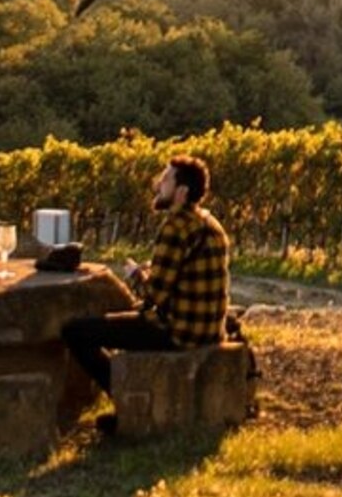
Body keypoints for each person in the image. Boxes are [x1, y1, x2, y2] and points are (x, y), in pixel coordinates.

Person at [60, 155, 233, 429]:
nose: (158, 184)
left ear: (182, 191)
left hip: (178, 331)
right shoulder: (211, 224)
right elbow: (183, 273)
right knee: (113, 324)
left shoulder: (175, 227)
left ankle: (126, 405)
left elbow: (155, 296)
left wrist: (135, 276)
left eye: (165, 179)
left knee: (76, 331)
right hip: (211, 329)